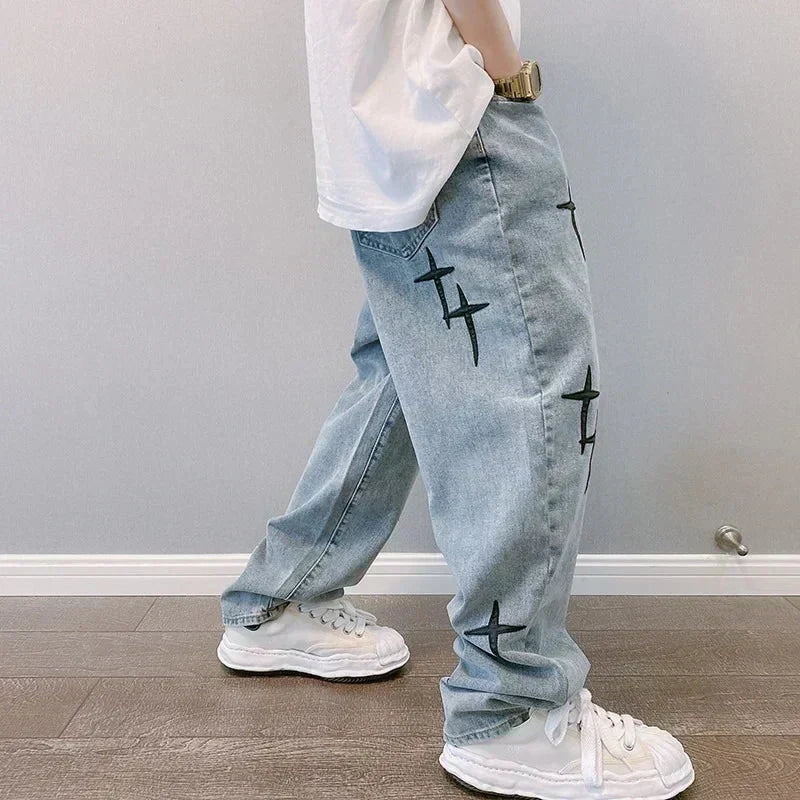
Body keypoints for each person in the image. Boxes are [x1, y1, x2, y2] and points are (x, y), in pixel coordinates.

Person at [218, 2, 695, 798]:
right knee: (535, 383)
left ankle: (284, 596)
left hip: (381, 117)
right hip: (453, 111)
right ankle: (511, 706)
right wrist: (508, 74)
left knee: (406, 370)